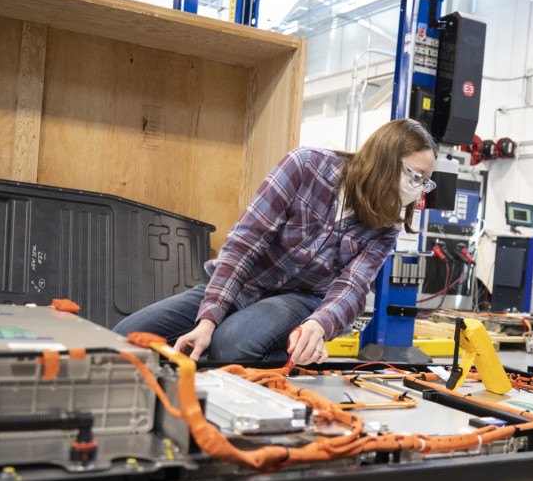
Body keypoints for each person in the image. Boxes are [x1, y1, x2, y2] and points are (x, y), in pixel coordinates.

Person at [114, 118, 438, 366]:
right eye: (415, 176)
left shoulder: (386, 227)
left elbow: (352, 288)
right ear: (384, 160)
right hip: (243, 285)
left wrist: (319, 326)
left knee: (232, 344)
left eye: (425, 182)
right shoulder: (305, 166)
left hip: (299, 300)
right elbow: (245, 243)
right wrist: (208, 318)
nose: (418, 189)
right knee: (124, 339)